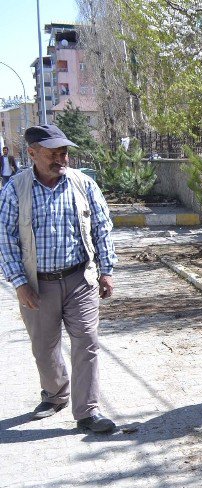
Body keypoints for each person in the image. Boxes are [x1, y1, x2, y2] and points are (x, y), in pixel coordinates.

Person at [0, 124, 117, 433]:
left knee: (87, 343)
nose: (61, 159)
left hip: (80, 278)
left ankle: (87, 411)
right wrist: (19, 282)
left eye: (64, 152)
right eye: (53, 154)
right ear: (32, 153)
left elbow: (102, 228)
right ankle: (55, 395)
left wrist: (106, 271)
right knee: (44, 346)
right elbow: (5, 238)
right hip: (37, 285)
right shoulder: (15, 189)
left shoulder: (83, 184)